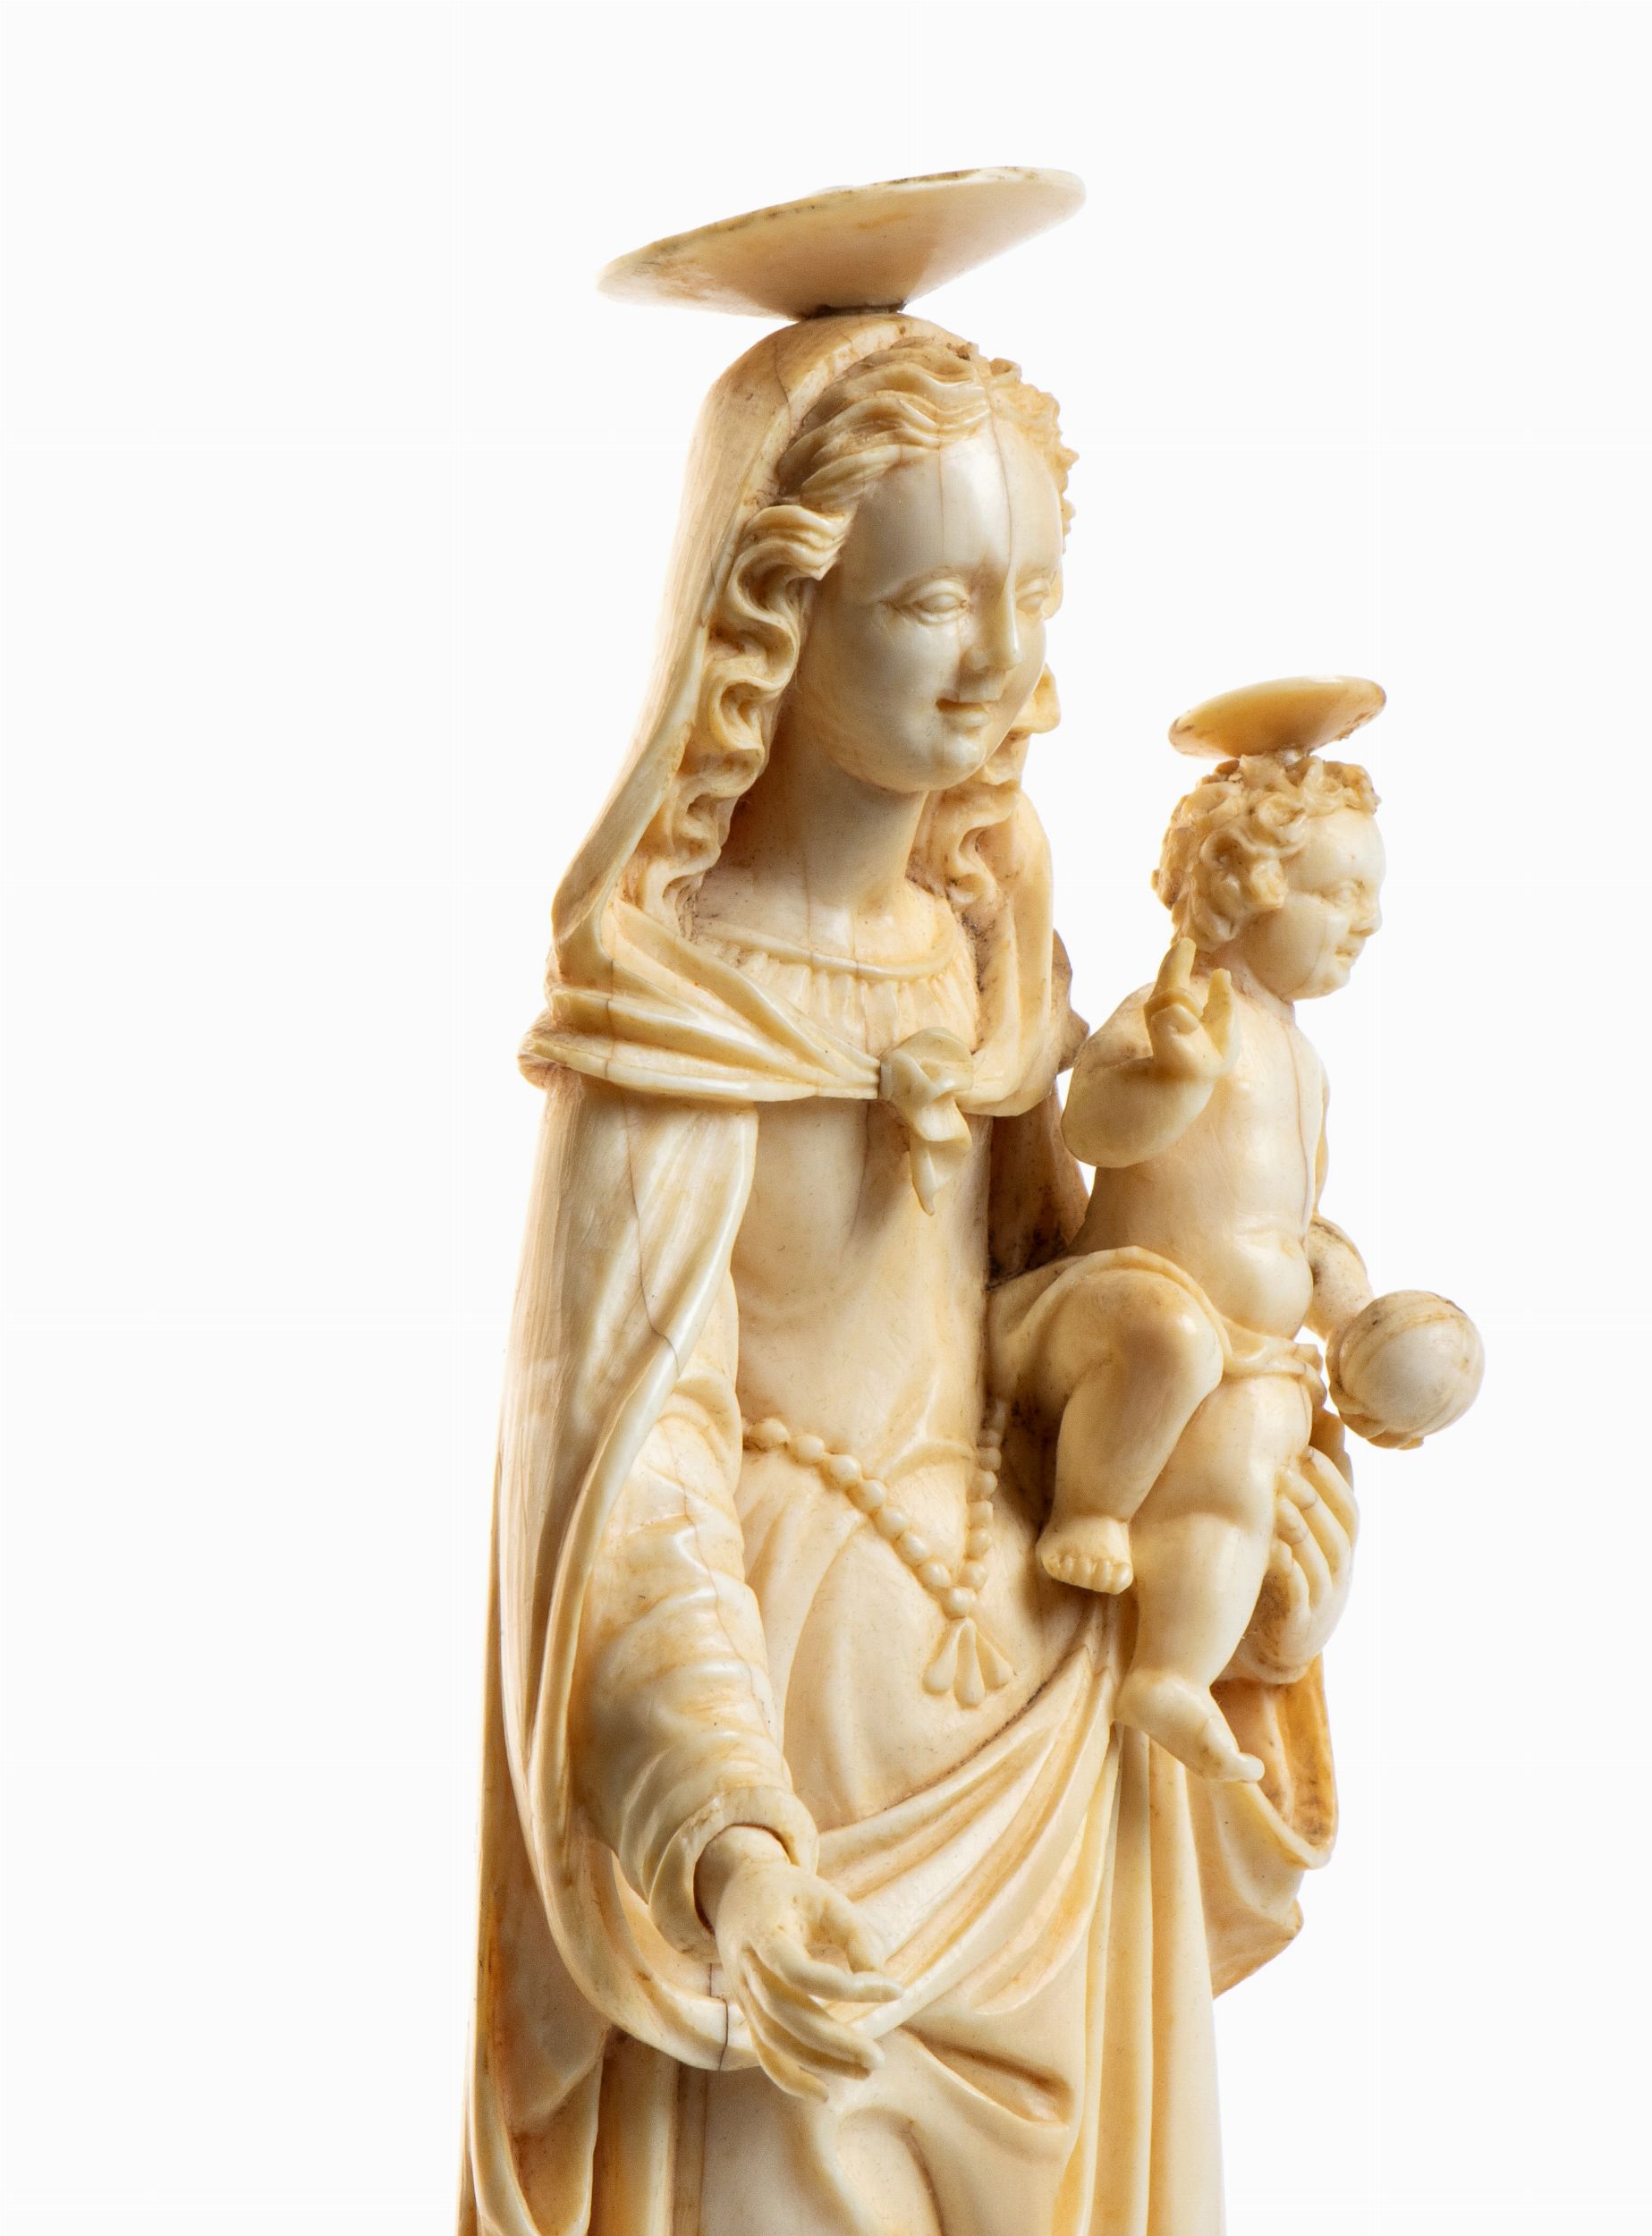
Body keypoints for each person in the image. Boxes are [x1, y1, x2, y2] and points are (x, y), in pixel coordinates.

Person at [462, 311, 1357, 2236]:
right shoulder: (673, 1014)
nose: (1002, 661)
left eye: (1032, 593)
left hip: (1035, 1683)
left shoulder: (988, 930)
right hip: (800, 1738)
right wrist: (728, 1836)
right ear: (769, 619)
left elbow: (1067, 1281)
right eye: (933, 600)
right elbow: (633, 1472)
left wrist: (1248, 1448)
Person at [989, 747, 1384, 1786]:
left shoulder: (1305, 1062)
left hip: (1246, 1359)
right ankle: (1087, 1508)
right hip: (1104, 1315)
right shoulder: (1178, 1009)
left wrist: (1353, 1323)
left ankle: (1170, 1673)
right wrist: (1169, 1078)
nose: (1368, 919)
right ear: (1246, 886)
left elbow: (1296, 1226)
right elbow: (1089, 1128)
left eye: (1371, 896)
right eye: (1341, 893)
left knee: (1238, 1483)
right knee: (1171, 1338)